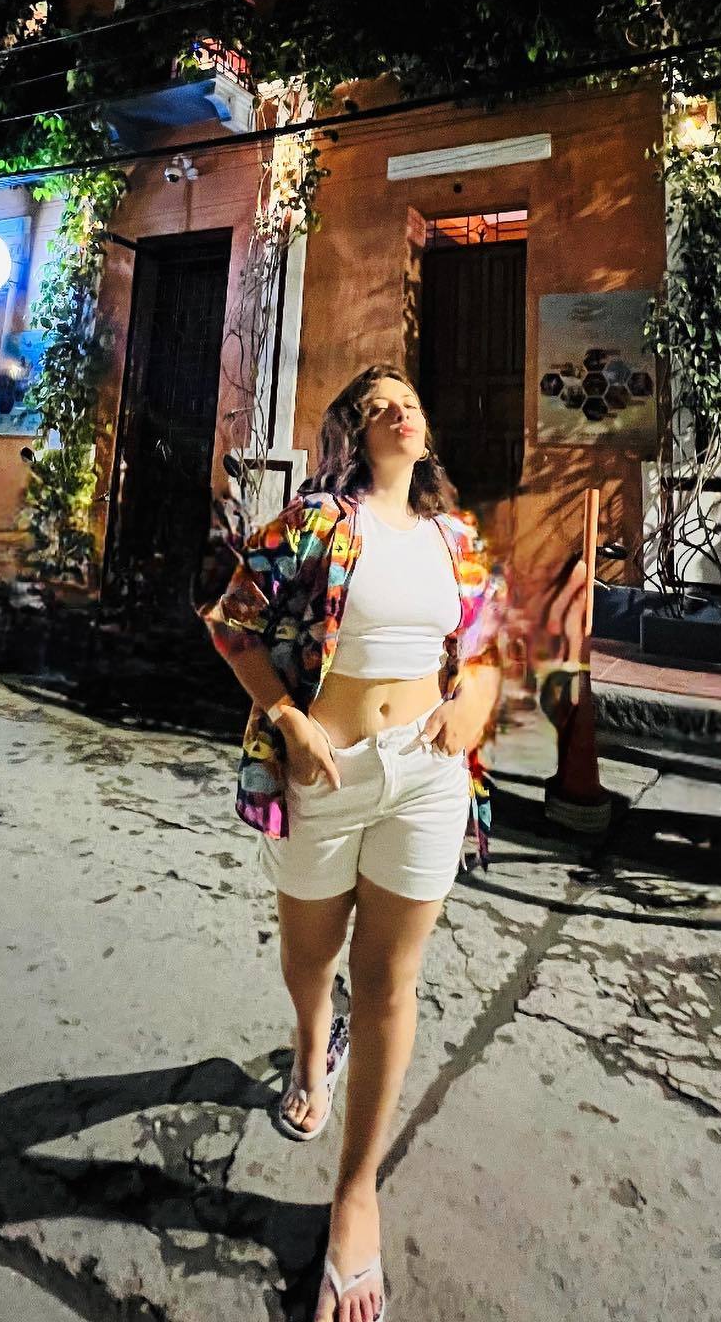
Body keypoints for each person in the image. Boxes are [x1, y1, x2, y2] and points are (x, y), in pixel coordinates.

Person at [199, 363, 505, 1322]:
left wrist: (474, 706)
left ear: (425, 431)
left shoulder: (458, 540)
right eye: (378, 406)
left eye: (408, 401)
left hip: (428, 776)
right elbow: (231, 618)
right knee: (310, 955)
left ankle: (356, 1194)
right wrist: (288, 718)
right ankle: (308, 1044)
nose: (399, 412)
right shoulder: (318, 523)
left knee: (389, 983)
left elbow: (489, 649)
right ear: (356, 434)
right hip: (327, 774)